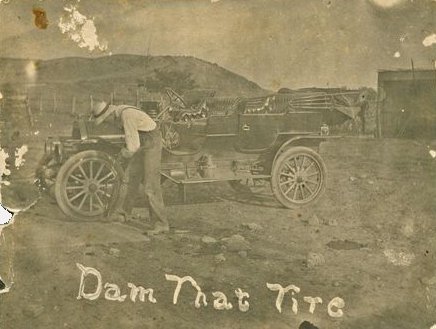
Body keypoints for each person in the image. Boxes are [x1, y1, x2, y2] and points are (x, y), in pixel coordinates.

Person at [92, 101, 169, 235]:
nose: (107, 124)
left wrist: (122, 154)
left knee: (150, 185)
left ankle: (161, 223)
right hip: (142, 141)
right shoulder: (120, 111)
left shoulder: (126, 116)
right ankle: (123, 213)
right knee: (129, 179)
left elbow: (133, 146)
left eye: (105, 121)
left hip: (151, 141)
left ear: (109, 115)